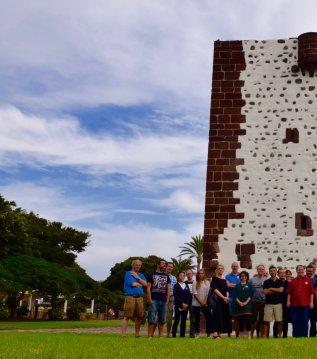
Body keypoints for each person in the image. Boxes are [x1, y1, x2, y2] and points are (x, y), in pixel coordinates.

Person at [121, 259, 147, 337]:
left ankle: (137, 334)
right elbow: (133, 284)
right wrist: (140, 283)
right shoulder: (128, 274)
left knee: (139, 317)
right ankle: (123, 334)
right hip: (130, 297)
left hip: (140, 298)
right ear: (132, 265)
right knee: (127, 316)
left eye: (139, 265)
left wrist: (137, 278)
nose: (138, 266)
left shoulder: (141, 275)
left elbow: (145, 284)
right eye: (136, 265)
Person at [287, 264, 314, 337]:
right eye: (299, 269)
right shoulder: (293, 281)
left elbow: (311, 293)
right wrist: (288, 301)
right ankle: (296, 336)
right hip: (294, 306)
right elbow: (289, 293)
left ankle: (304, 336)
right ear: (296, 271)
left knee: (305, 322)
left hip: (305, 306)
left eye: (302, 269)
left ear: (304, 270)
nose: (300, 271)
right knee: (295, 322)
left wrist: (311, 302)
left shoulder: (308, 281)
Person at [147, 259, 170, 338]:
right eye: (163, 264)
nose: (164, 265)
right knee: (151, 318)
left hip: (163, 300)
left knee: (162, 319)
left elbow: (168, 288)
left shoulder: (166, 276)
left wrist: (167, 300)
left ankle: (160, 336)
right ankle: (149, 336)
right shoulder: (152, 274)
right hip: (154, 299)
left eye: (165, 264)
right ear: (158, 264)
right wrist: (150, 299)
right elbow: (148, 287)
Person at [209, 264, 231, 339]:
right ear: (216, 270)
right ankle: (215, 333)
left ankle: (219, 333)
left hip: (224, 301)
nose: (220, 270)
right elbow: (214, 289)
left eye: (222, 268)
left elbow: (227, 290)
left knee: (222, 317)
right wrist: (223, 297)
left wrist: (227, 297)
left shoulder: (224, 281)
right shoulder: (214, 279)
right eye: (219, 268)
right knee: (216, 316)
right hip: (217, 301)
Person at [263, 265, 284, 338]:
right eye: (271, 271)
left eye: (274, 271)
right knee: (266, 321)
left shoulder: (280, 281)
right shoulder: (266, 282)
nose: (272, 272)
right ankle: (266, 336)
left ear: (276, 272)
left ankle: (280, 336)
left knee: (279, 321)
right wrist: (276, 290)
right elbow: (265, 292)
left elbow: (281, 290)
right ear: (269, 272)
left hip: (278, 304)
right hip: (268, 304)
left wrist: (271, 288)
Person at [192, 269, 212, 337]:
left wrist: (205, 302)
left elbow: (208, 293)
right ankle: (197, 333)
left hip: (205, 303)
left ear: (204, 274)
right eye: (200, 273)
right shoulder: (195, 282)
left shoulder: (207, 282)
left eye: (202, 273)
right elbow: (194, 293)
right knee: (197, 319)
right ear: (198, 274)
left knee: (208, 318)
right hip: (196, 303)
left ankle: (208, 334)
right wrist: (201, 302)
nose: (201, 274)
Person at [172, 271, 192, 337]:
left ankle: (182, 335)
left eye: (183, 275)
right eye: (180, 275)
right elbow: (176, 296)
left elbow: (189, 295)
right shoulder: (176, 286)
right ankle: (174, 335)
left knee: (183, 321)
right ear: (178, 276)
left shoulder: (186, 285)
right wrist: (181, 304)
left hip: (186, 306)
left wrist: (186, 304)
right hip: (178, 306)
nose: (182, 277)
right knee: (177, 320)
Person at [234, 271, 253, 339]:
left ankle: (249, 335)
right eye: (242, 276)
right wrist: (239, 302)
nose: (243, 277)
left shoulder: (250, 285)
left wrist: (245, 302)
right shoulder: (237, 286)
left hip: (247, 306)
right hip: (239, 306)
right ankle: (241, 335)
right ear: (240, 277)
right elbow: (235, 296)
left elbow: (251, 295)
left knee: (248, 321)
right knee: (240, 321)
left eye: (244, 276)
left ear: (247, 277)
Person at [250, 264, 267, 338]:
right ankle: (251, 335)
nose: (261, 270)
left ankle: (260, 335)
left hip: (263, 302)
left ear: (264, 270)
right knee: (253, 320)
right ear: (257, 270)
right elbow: (249, 290)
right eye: (259, 269)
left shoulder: (267, 279)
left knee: (262, 320)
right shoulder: (252, 279)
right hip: (254, 302)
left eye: (262, 269)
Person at [225, 262, 240, 337]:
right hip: (230, 298)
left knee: (237, 317)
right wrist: (238, 285)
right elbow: (227, 285)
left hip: (239, 299)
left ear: (238, 267)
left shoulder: (241, 275)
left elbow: (243, 284)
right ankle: (229, 333)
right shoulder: (228, 276)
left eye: (236, 266)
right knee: (229, 316)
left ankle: (237, 334)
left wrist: (233, 285)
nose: (234, 267)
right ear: (231, 267)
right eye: (233, 266)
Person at [166, 262, 177, 337]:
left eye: (171, 267)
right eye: (169, 266)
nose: (170, 268)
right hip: (162, 299)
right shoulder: (162, 276)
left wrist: (171, 293)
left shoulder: (174, 278)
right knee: (158, 317)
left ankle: (167, 334)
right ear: (166, 267)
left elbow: (175, 289)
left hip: (171, 300)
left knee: (169, 318)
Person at [306, 264, 317, 337]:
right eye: (308, 271)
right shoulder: (303, 279)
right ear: (306, 271)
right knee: (304, 322)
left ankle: (312, 337)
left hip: (314, 304)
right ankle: (304, 336)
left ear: (313, 271)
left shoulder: (316, 280)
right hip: (304, 305)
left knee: (313, 322)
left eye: (311, 271)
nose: (309, 272)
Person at [185, 269, 195, 338]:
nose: (189, 275)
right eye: (187, 274)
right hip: (185, 303)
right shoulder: (184, 283)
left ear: (192, 274)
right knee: (183, 319)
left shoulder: (195, 282)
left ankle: (192, 335)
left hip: (193, 303)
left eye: (190, 273)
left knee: (193, 320)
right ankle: (182, 334)